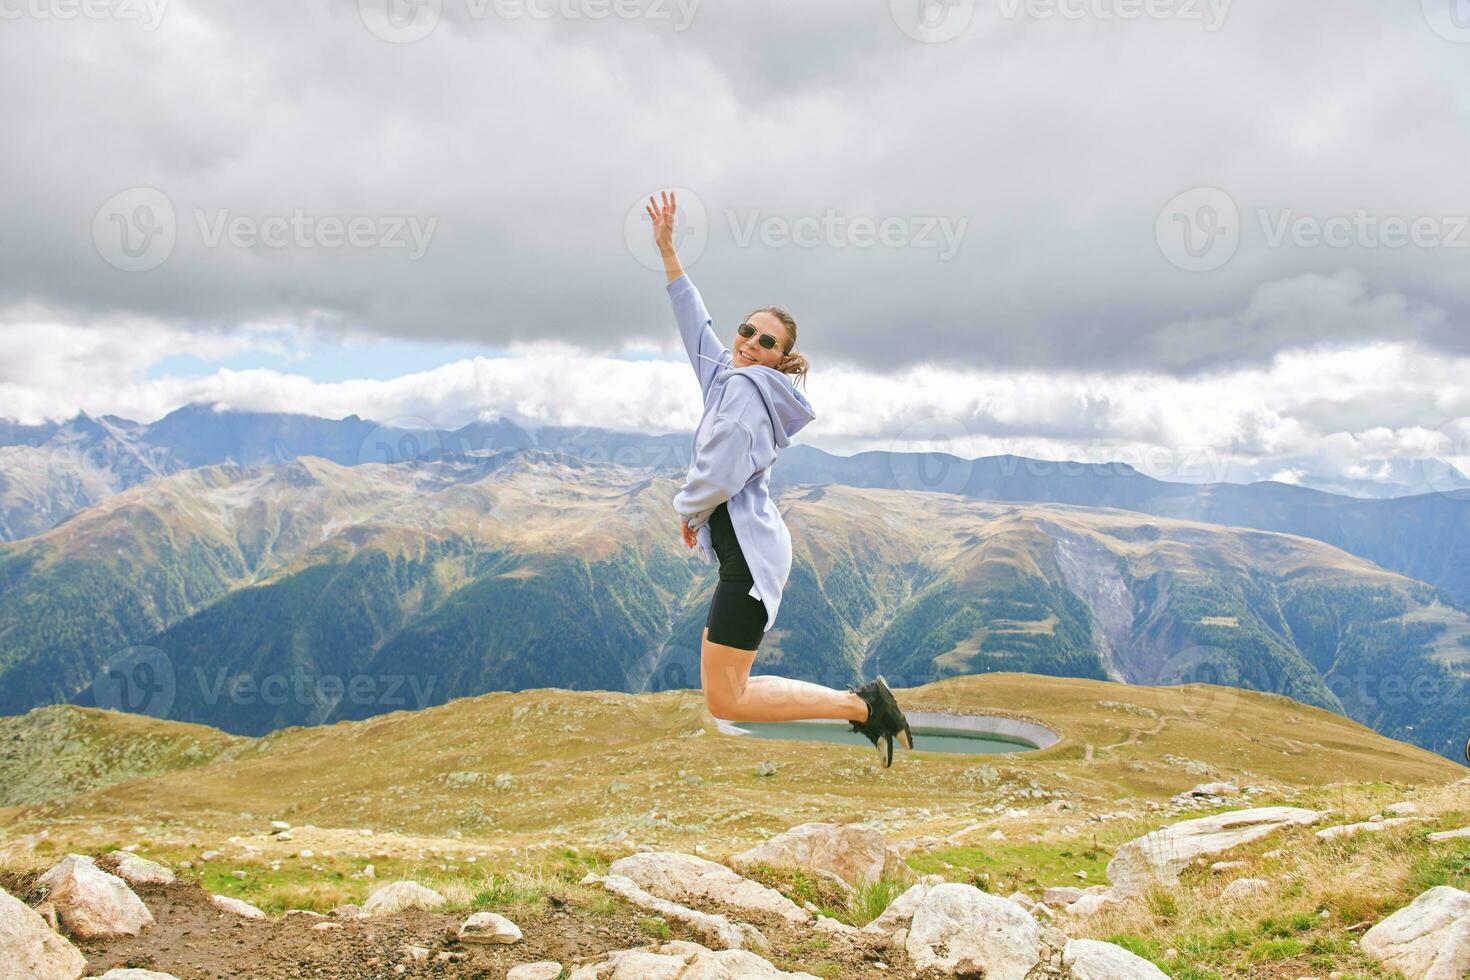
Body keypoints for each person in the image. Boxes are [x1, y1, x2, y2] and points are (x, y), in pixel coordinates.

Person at [646, 190, 915, 767]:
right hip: (750, 552)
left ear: (780, 357)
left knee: (728, 697)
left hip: (750, 561)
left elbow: (718, 472)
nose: (748, 342)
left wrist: (687, 514)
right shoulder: (729, 374)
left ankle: (865, 708)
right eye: (747, 330)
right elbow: (695, 325)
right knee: (727, 695)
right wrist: (669, 252)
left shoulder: (743, 391)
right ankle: (863, 706)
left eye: (766, 341)